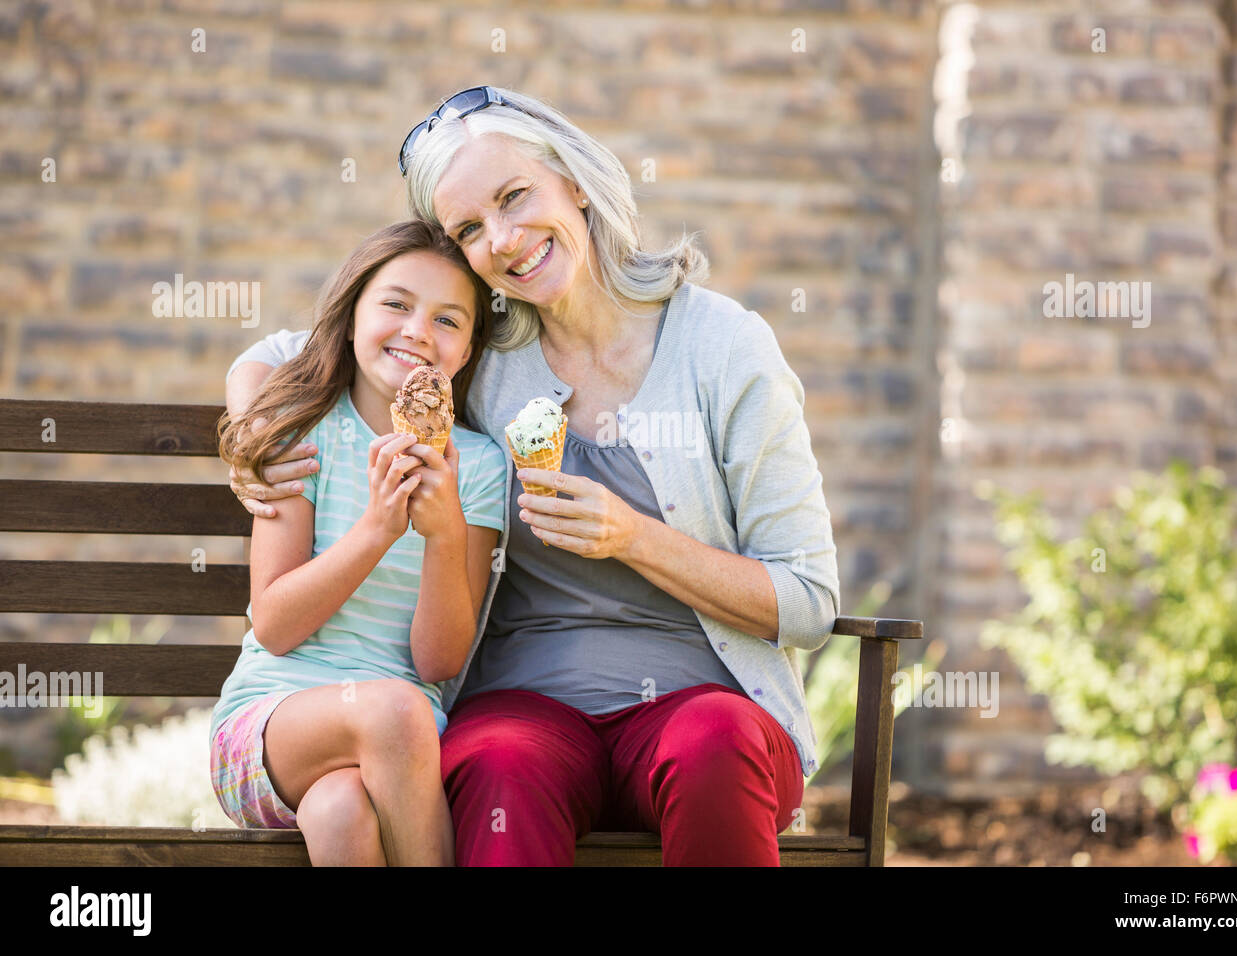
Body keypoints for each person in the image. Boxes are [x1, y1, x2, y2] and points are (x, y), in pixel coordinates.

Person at [224, 86, 840, 866]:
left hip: (704, 707)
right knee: (498, 763)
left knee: (712, 743)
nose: (506, 240)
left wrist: (635, 538)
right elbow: (299, 351)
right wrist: (254, 430)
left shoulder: (723, 349)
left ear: (575, 182)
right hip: (529, 706)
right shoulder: (482, 357)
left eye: (516, 197)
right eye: (471, 229)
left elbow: (809, 603)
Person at [210, 219, 506, 866]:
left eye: (448, 320)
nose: (418, 332)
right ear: (350, 319)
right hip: (267, 730)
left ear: (466, 352)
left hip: (399, 747)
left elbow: (438, 663)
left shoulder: (478, 469)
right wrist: (377, 530)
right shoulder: (303, 436)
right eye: (396, 304)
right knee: (395, 713)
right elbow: (275, 626)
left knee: (341, 810)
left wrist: (446, 533)